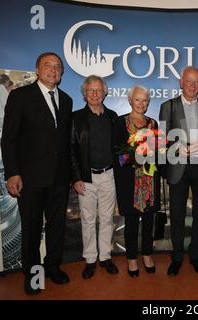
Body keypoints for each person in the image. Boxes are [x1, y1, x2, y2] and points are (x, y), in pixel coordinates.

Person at [1, 52, 73, 294]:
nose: (53, 70)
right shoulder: (20, 96)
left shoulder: (67, 100)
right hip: (30, 179)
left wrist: (71, 175)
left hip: (59, 179)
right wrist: (12, 173)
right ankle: (33, 276)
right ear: (37, 70)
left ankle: (52, 268)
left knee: (57, 227)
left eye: (58, 67)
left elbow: (63, 142)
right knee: (31, 230)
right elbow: (9, 139)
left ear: (62, 73)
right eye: (48, 65)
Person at [159, 66, 198, 276]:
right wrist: (176, 147)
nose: (193, 86)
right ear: (181, 83)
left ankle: (195, 256)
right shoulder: (169, 106)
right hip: (178, 167)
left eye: (197, 82)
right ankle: (176, 258)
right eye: (189, 81)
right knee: (177, 215)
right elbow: (163, 138)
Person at [70, 75, 119, 279]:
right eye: (91, 90)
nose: (95, 94)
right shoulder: (75, 118)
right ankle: (90, 259)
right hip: (86, 179)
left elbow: (119, 149)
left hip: (109, 175)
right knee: (88, 221)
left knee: (107, 220)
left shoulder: (113, 117)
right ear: (84, 94)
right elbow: (71, 150)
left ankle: (105, 257)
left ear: (105, 93)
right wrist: (76, 178)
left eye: (99, 90)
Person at [114, 86, 160, 278]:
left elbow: (158, 150)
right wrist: (137, 155)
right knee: (131, 222)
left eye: (145, 101)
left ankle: (147, 255)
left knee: (149, 220)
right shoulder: (119, 122)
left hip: (149, 180)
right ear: (130, 100)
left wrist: (156, 153)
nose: (141, 104)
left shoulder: (153, 123)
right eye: (137, 100)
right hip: (129, 180)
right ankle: (132, 259)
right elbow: (117, 154)